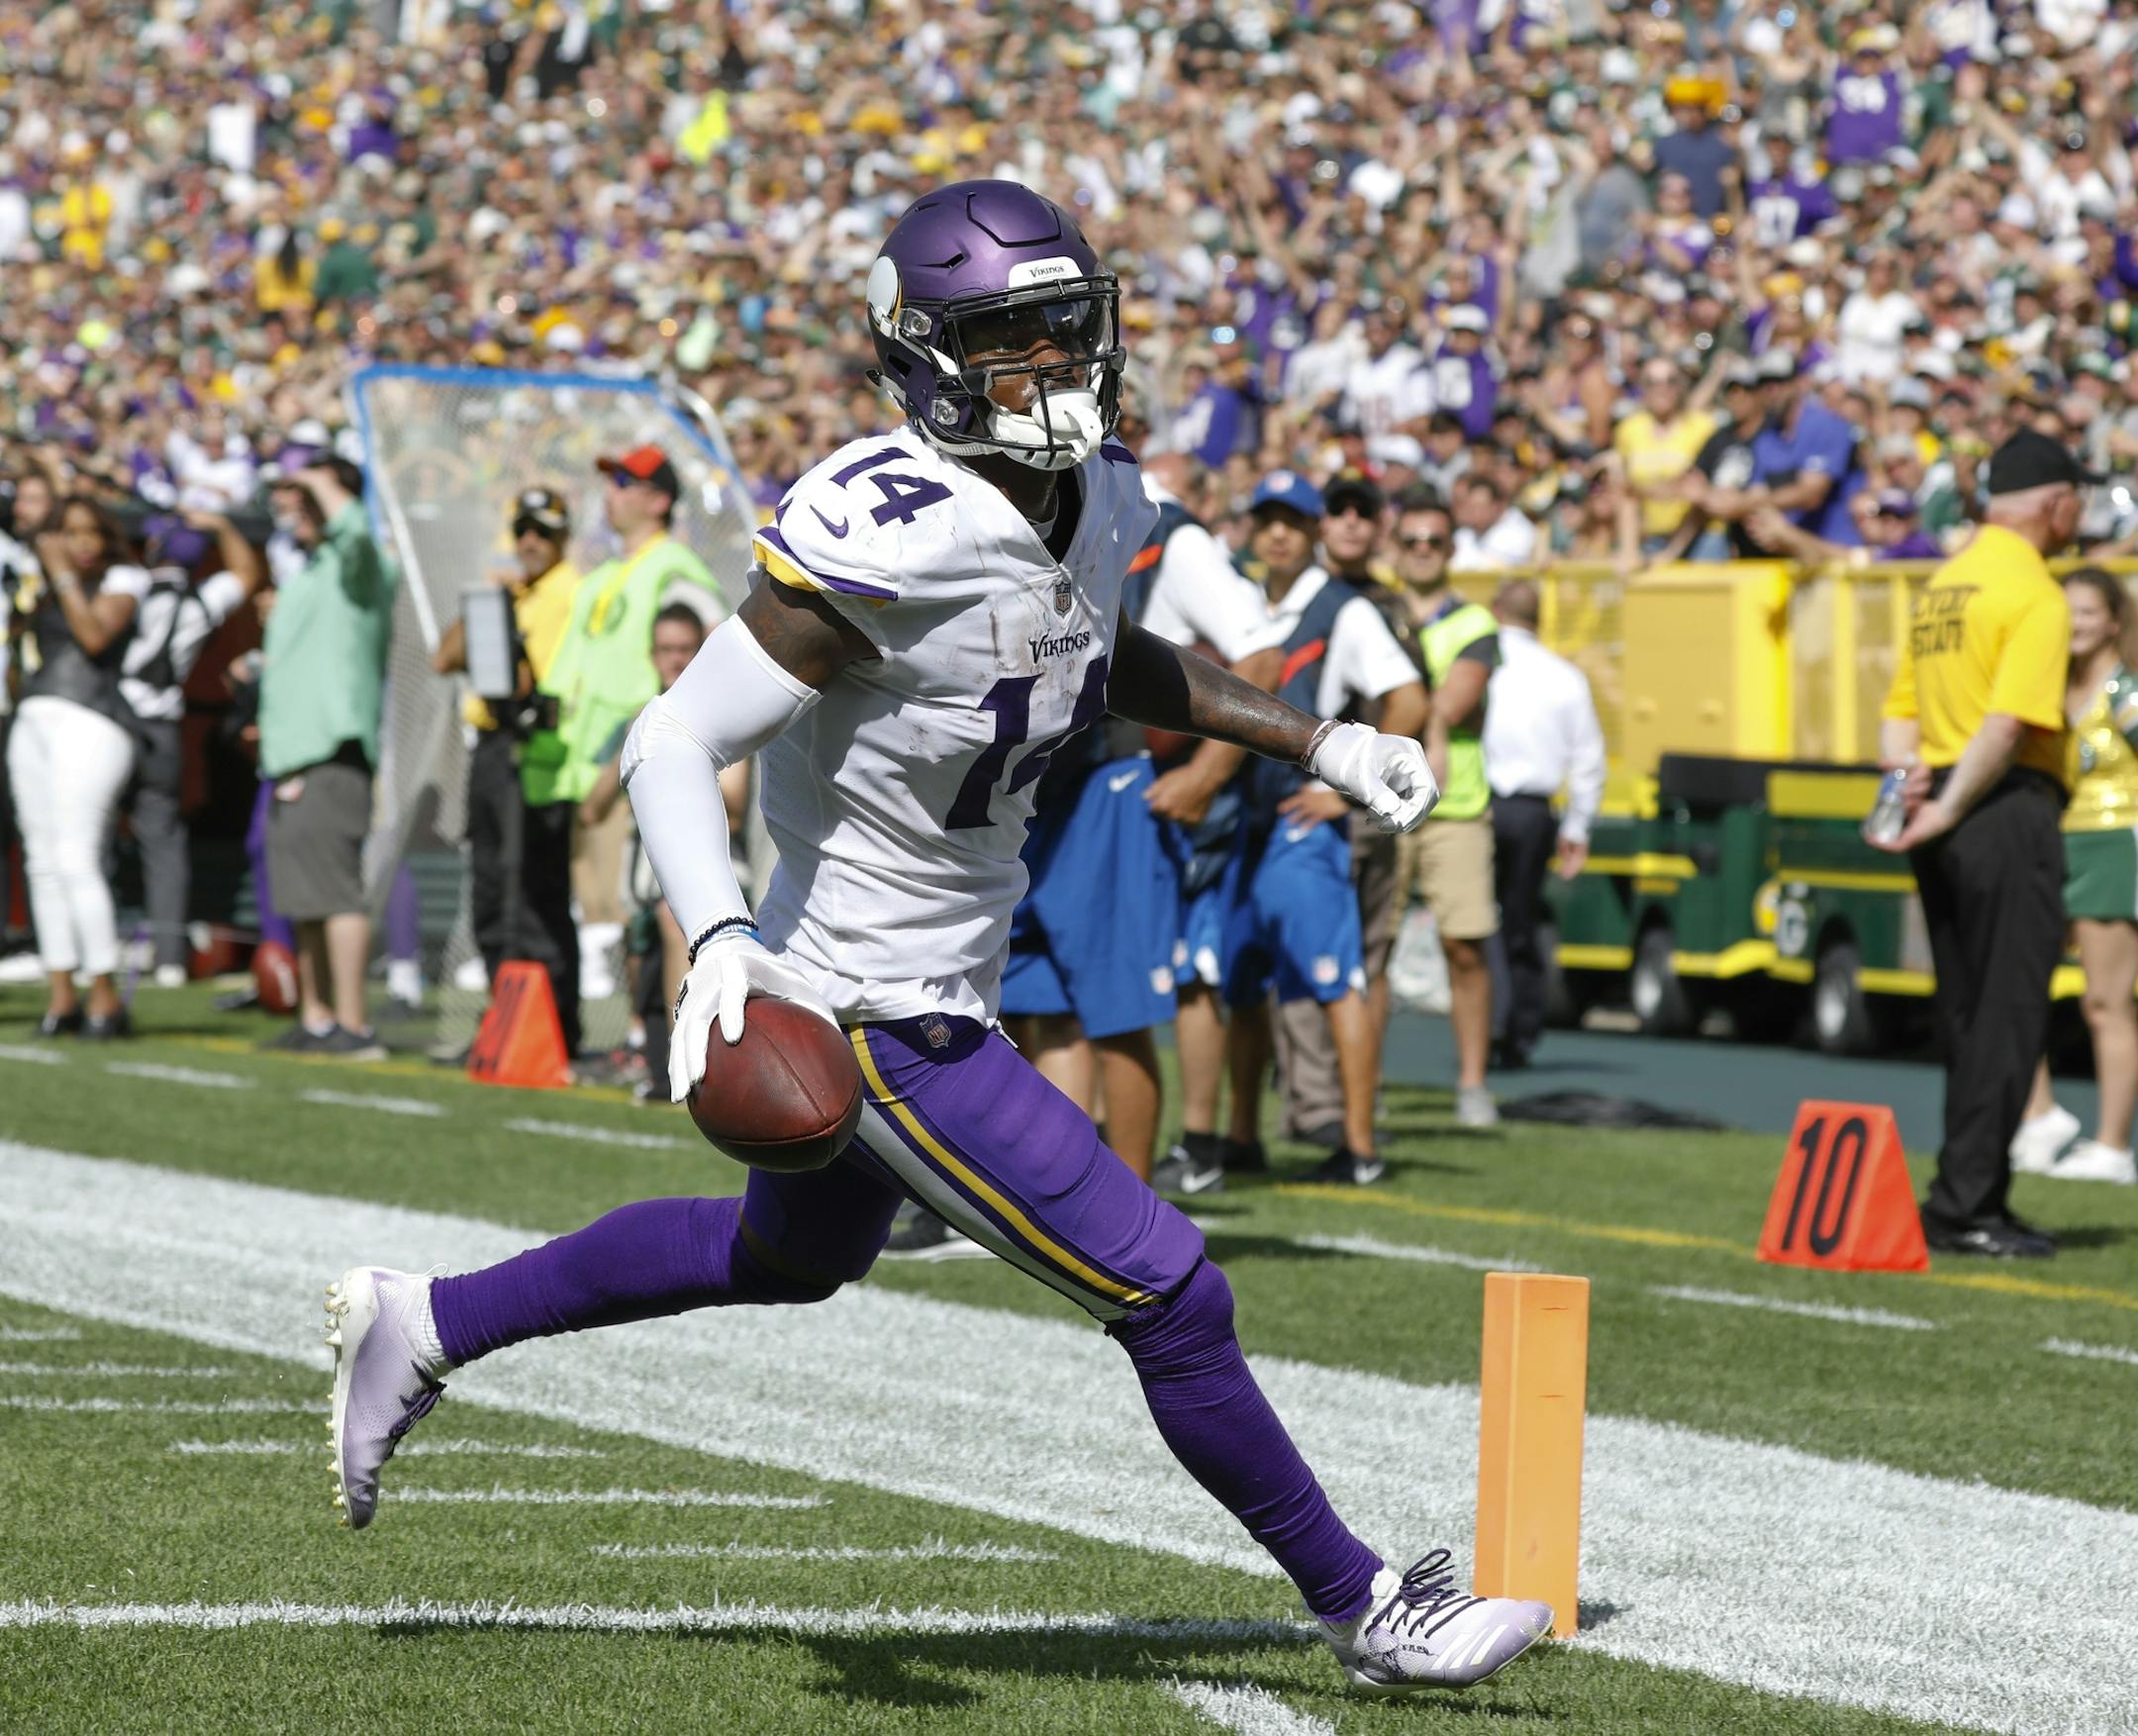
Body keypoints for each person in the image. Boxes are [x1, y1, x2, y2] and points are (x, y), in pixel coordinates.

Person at [326, 183, 1551, 1695]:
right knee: (1172, 1289)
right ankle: (1364, 1603)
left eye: (1063, 326)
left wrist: (1318, 740)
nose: (1052, 362)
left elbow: (1103, 656)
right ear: (926, 357)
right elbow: (666, 740)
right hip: (862, 1002)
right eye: (1008, 338)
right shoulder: (883, 529)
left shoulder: (1098, 493)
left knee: (782, 1261)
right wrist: (717, 933)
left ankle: (427, 1318)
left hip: (938, 971)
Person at [1875, 430, 2091, 1257]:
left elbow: (1899, 709)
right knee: (2008, 1011)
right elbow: (2008, 724)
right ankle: (1966, 1204)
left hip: (1941, 805)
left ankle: (1974, 1194)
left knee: (1967, 1010)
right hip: (1999, 808)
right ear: (2056, 503)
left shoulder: (1946, 582)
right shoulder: (2035, 591)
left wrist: (1907, 801)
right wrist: (1949, 805)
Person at [1213, 471, 1427, 1186]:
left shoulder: (1343, 609)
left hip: (1304, 815)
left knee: (1338, 981)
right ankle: (1241, 1135)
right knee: (1241, 982)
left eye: (1293, 522)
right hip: (1241, 818)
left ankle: (1360, 1146)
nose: (1278, 534)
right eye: (1267, 520)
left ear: (1312, 533)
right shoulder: (1240, 603)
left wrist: (1349, 795)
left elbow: (1408, 699)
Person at [521, 446, 725, 1054]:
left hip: (633, 766)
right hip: (574, 770)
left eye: (625, 483)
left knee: (631, 917)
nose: (610, 492)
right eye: (610, 481)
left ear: (659, 500)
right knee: (603, 914)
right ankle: (629, 1043)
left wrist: (636, 750)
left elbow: (711, 656)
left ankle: (646, 1044)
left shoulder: (676, 568)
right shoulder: (607, 573)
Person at [257, 458, 395, 1059]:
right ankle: (317, 1017)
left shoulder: (362, 564)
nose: (298, 508)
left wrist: (320, 481)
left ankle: (355, 1025)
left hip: (332, 752)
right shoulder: (308, 571)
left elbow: (357, 534)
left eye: (310, 496)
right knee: (302, 895)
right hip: (291, 754)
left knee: (336, 893)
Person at [432, 486, 582, 1016]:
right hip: (493, 748)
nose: (531, 542)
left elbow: (530, 683)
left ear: (564, 536)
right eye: (523, 530)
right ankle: (506, 1017)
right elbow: (443, 658)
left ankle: (553, 1025)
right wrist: (487, 604)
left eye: (543, 531)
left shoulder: (570, 592)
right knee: (492, 887)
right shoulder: (512, 593)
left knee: (535, 893)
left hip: (537, 750)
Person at [5, 497, 147, 1037]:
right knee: (41, 862)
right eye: (68, 533)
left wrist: (62, 574)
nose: (81, 543)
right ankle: (62, 996)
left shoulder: (125, 579)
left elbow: (94, 636)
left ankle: (105, 997)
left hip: (91, 718)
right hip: (35, 719)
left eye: (90, 532)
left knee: (75, 856)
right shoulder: (33, 583)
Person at [2013, 570, 2138, 1187]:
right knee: (2017, 985)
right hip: (2054, 840)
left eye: (2090, 612)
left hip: (2116, 844)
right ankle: (2040, 1116)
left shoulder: (2127, 692)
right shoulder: (2050, 686)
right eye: (2069, 613)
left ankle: (2113, 1146)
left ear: (2116, 620)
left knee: (2105, 1002)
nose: (2078, 624)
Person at [1385, 484, 1504, 1127]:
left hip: (1455, 804)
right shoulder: (1374, 609)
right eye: (1412, 541)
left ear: (1452, 549)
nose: (1423, 551)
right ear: (1395, 548)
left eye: (1435, 541)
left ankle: (1472, 1084)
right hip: (1377, 796)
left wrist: (1403, 706)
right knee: (1368, 951)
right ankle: (1361, 1081)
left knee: (1465, 945)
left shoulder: (1474, 622)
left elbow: (1455, 700)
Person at [577, 603, 725, 1101]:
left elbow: (740, 801)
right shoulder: (644, 721)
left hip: (712, 867)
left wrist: (672, 764)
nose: (676, 661)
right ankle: (649, 1049)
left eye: (685, 650)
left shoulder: (722, 714)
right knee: (637, 927)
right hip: (646, 869)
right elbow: (593, 807)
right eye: (666, 650)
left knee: (668, 919)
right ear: (652, 655)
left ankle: (684, 1066)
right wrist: (634, 754)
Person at [119, 508, 267, 987]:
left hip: (115, 720)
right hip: (163, 725)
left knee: (94, 835)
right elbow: (246, 573)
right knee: (163, 841)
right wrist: (223, 526)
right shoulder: (201, 600)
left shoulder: (129, 587)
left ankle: (95, 948)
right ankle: (167, 958)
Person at [1483, 580, 1606, 1070]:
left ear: (1495, 612)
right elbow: (1589, 758)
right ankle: (1520, 1030)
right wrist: (1578, 826)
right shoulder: (1565, 676)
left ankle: (1490, 1022)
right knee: (1521, 918)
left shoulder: (1483, 667)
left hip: (1483, 803)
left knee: (1481, 918)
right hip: (1534, 810)